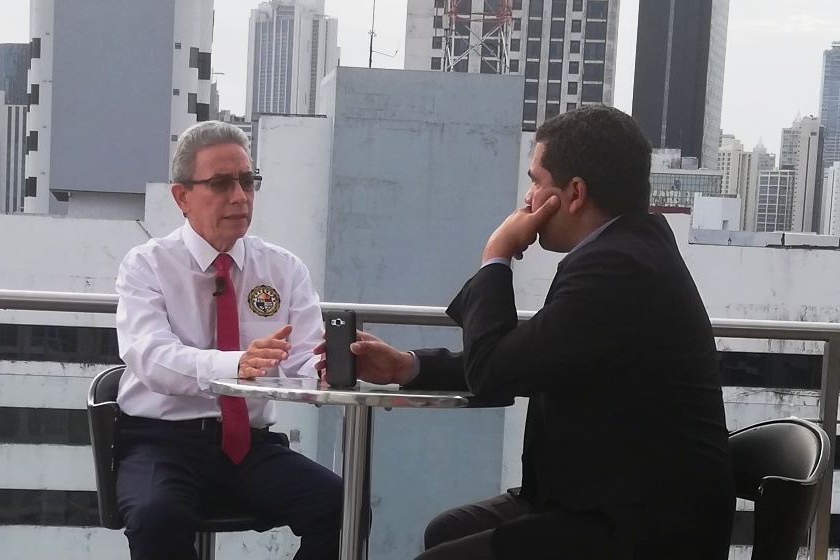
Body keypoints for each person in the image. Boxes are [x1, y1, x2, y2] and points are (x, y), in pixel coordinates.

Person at [315, 105, 734, 560]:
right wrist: (408, 367)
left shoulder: (616, 267)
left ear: (574, 193)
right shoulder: (628, 249)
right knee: (448, 531)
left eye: (536, 181)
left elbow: (495, 370)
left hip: (643, 528)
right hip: (605, 501)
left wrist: (496, 255)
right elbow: (527, 356)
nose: (528, 199)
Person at [114, 121, 342, 560]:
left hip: (250, 446)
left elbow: (304, 359)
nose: (239, 196)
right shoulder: (147, 265)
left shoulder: (283, 269)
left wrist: (333, 367)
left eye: (247, 181)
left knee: (341, 507)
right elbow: (151, 356)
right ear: (182, 196)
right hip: (163, 441)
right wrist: (234, 365)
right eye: (221, 184)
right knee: (156, 518)